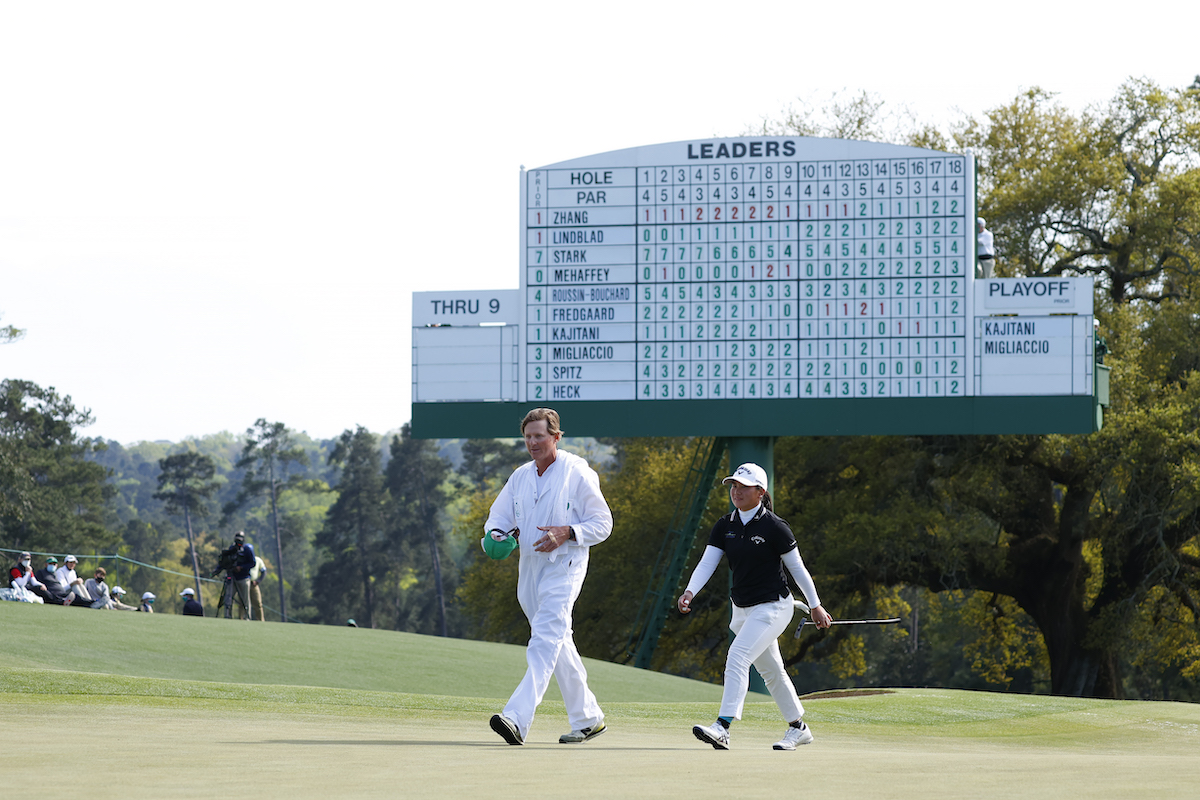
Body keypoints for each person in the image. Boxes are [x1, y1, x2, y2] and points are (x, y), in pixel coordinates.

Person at [678, 462, 833, 751]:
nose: (735, 491)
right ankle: (799, 728)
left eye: (743, 487)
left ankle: (723, 727)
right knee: (772, 672)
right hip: (742, 610)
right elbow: (707, 562)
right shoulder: (725, 525)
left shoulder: (775, 527)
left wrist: (816, 605)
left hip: (774, 607)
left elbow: (798, 570)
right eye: (733, 486)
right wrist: (690, 591)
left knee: (737, 657)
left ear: (760, 492)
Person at [484, 407, 613, 746]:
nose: (533, 442)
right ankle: (588, 718)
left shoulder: (577, 472)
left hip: (565, 566)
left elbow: (603, 524)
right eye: (528, 437)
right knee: (558, 641)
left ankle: (516, 718)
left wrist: (568, 532)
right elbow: (497, 518)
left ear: (556, 437)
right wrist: (496, 536)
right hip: (529, 569)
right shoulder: (521, 476)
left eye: (539, 436)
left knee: (544, 640)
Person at [223, 531, 256, 619]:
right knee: (229, 597)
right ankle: (228, 616)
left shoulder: (247, 549)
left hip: (244, 578)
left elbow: (252, 563)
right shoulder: (232, 548)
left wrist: (241, 567)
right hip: (233, 577)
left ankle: (246, 617)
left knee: (245, 600)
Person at [247, 555, 267, 621]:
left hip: (254, 584)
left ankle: (261, 620)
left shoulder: (258, 560)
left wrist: (258, 581)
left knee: (258, 603)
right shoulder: (244, 558)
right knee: (243, 603)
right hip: (244, 583)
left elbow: (264, 571)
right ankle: (244, 619)